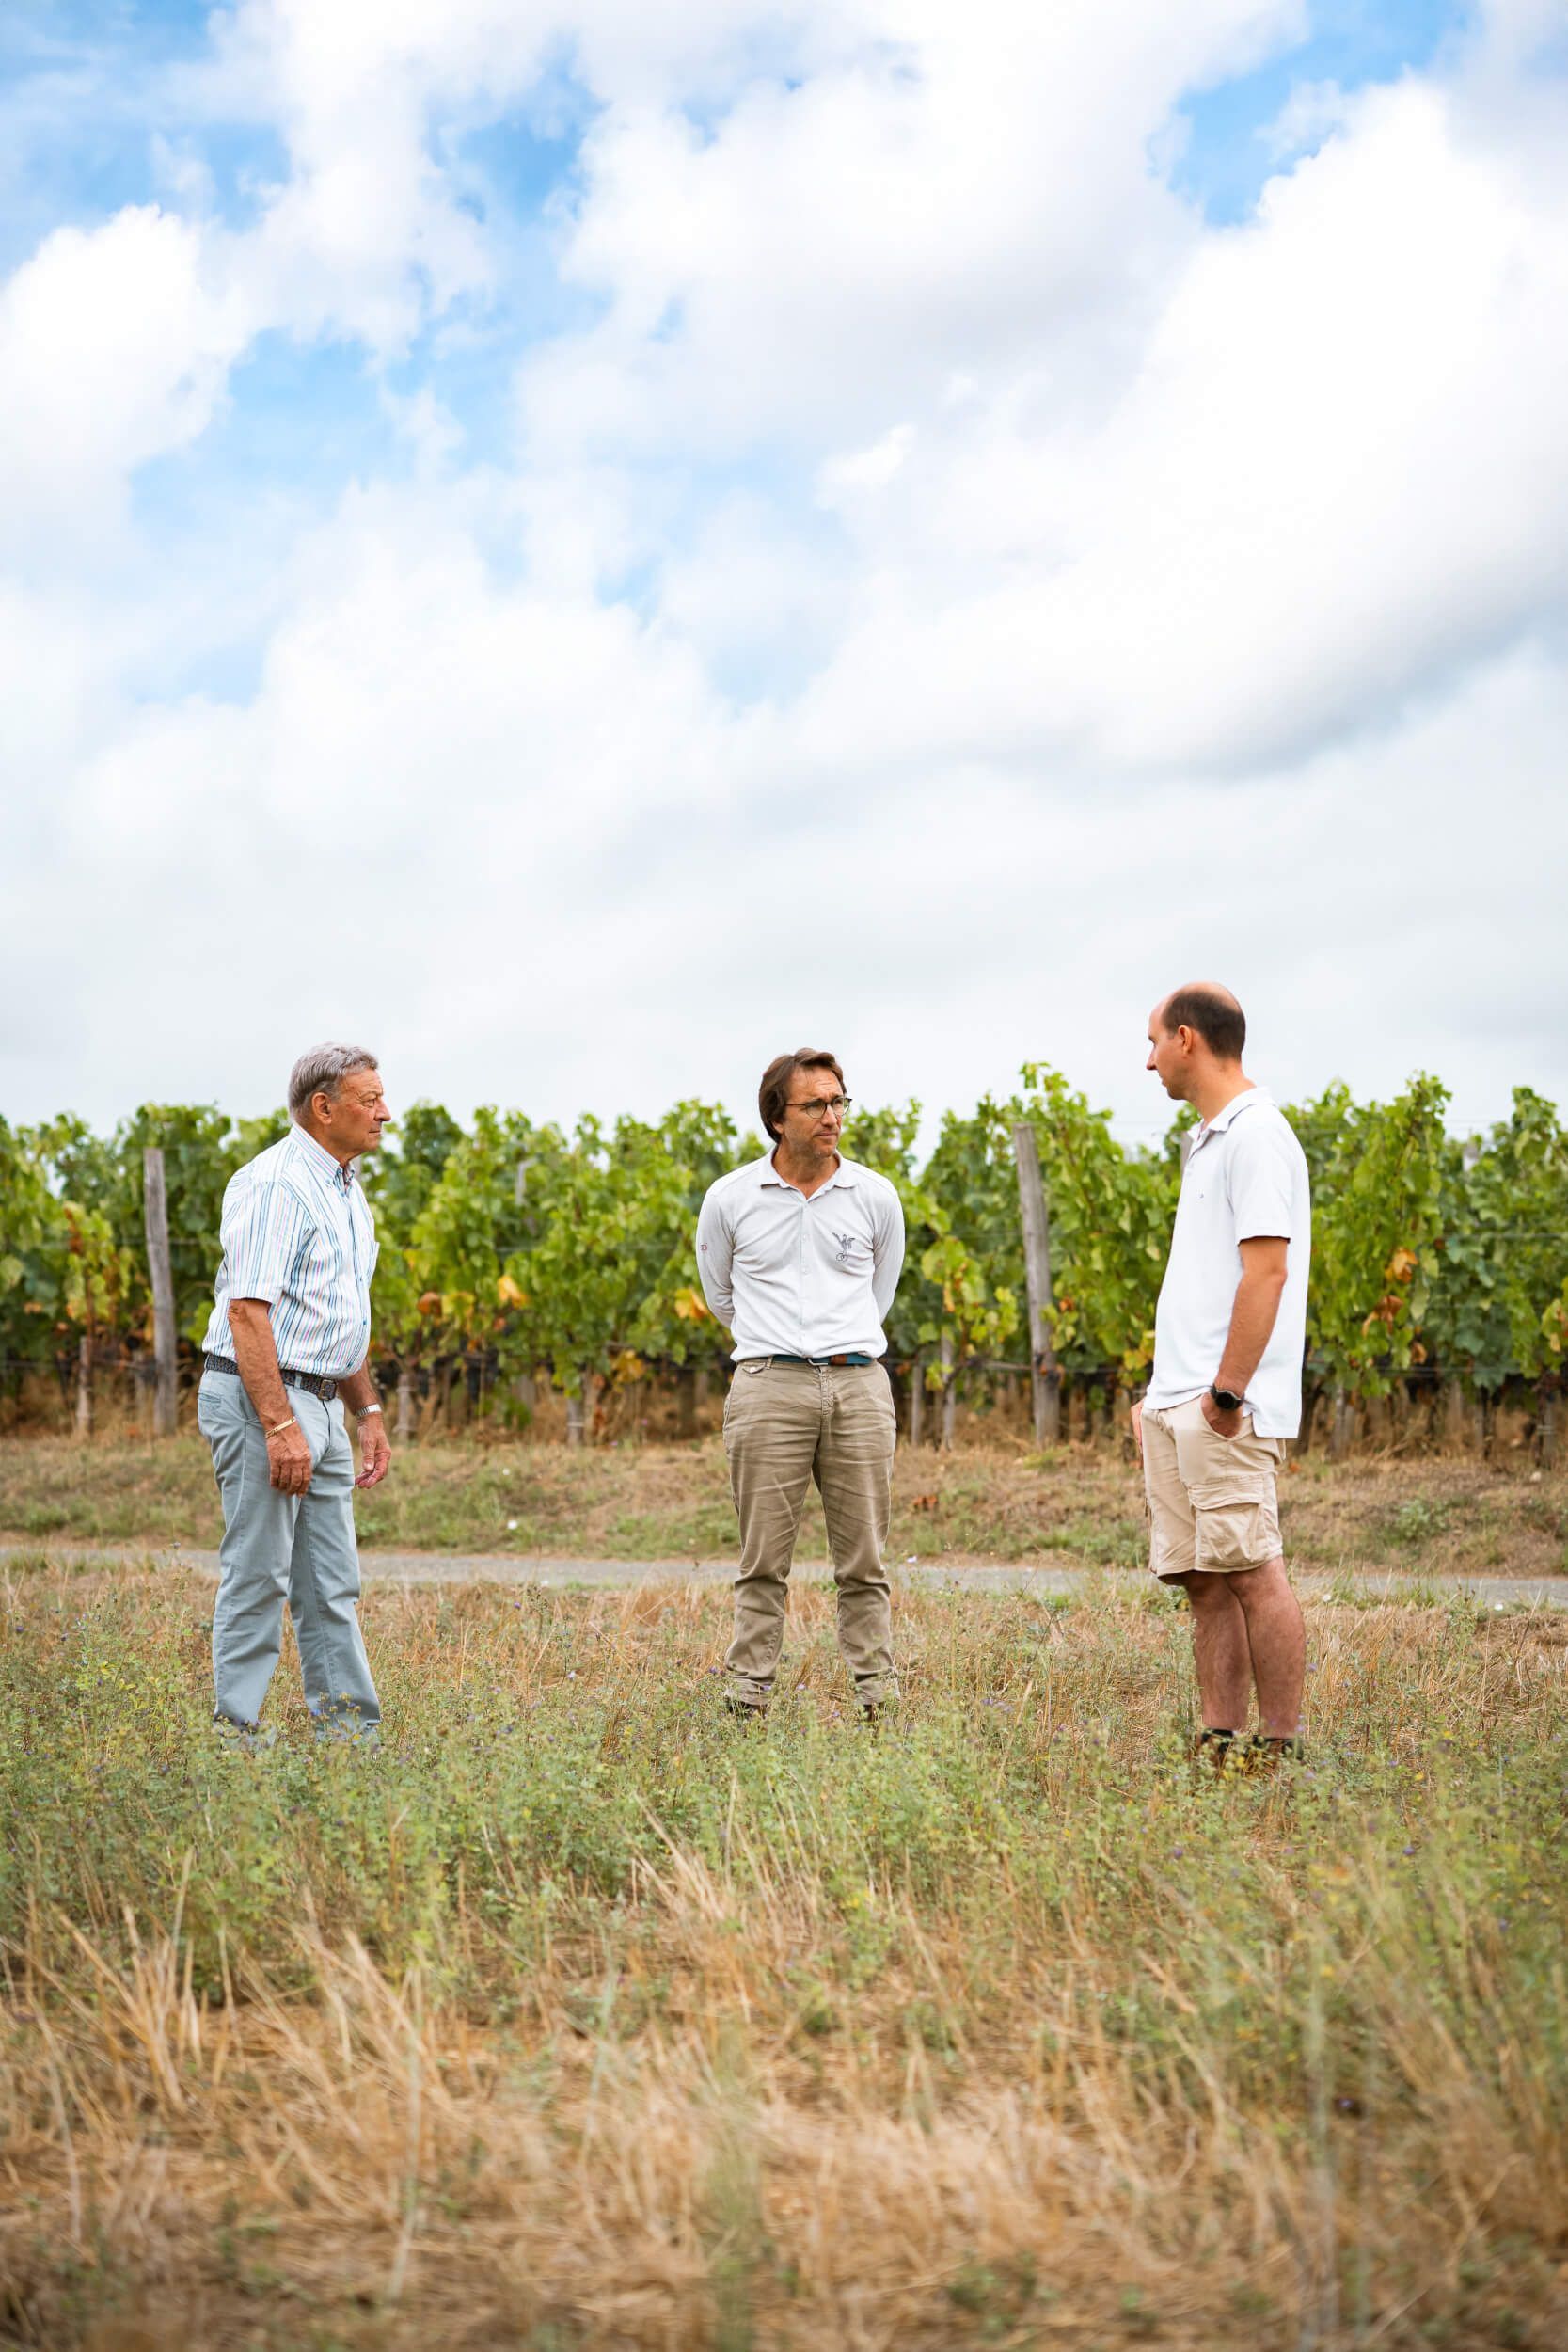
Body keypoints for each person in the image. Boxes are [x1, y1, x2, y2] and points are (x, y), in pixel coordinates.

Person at [695, 1049, 905, 1720]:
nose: (832, 1116)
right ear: (776, 1118)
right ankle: (745, 1698)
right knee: (762, 1561)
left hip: (857, 1387)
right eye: (815, 1105)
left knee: (864, 1562)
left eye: (839, 1101)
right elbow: (719, 1294)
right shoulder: (730, 1199)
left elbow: (881, 1292)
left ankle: (878, 1701)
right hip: (768, 1388)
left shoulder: (874, 1196)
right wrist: (776, 1347)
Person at [1133, 985, 1311, 1767]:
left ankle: (1278, 1749)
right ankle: (1218, 1740)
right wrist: (1160, 1393)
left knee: (1253, 1572)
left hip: (1224, 1406)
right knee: (1204, 1581)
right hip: (1179, 1400)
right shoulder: (1208, 1138)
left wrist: (1226, 1393)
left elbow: (1265, 1275)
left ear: (1185, 1039)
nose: (1147, 1060)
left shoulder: (1256, 1136)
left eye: (1151, 1043)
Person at [197, 1044, 392, 1748]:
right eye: (369, 1100)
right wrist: (279, 1424)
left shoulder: (344, 1186)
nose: (383, 1112)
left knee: (331, 1582)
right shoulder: (278, 1183)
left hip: (319, 1397)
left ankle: (349, 1741)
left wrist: (364, 1409)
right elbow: (249, 1312)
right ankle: (235, 1742)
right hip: (264, 1395)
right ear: (323, 1107)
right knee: (259, 1575)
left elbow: (339, 1313)